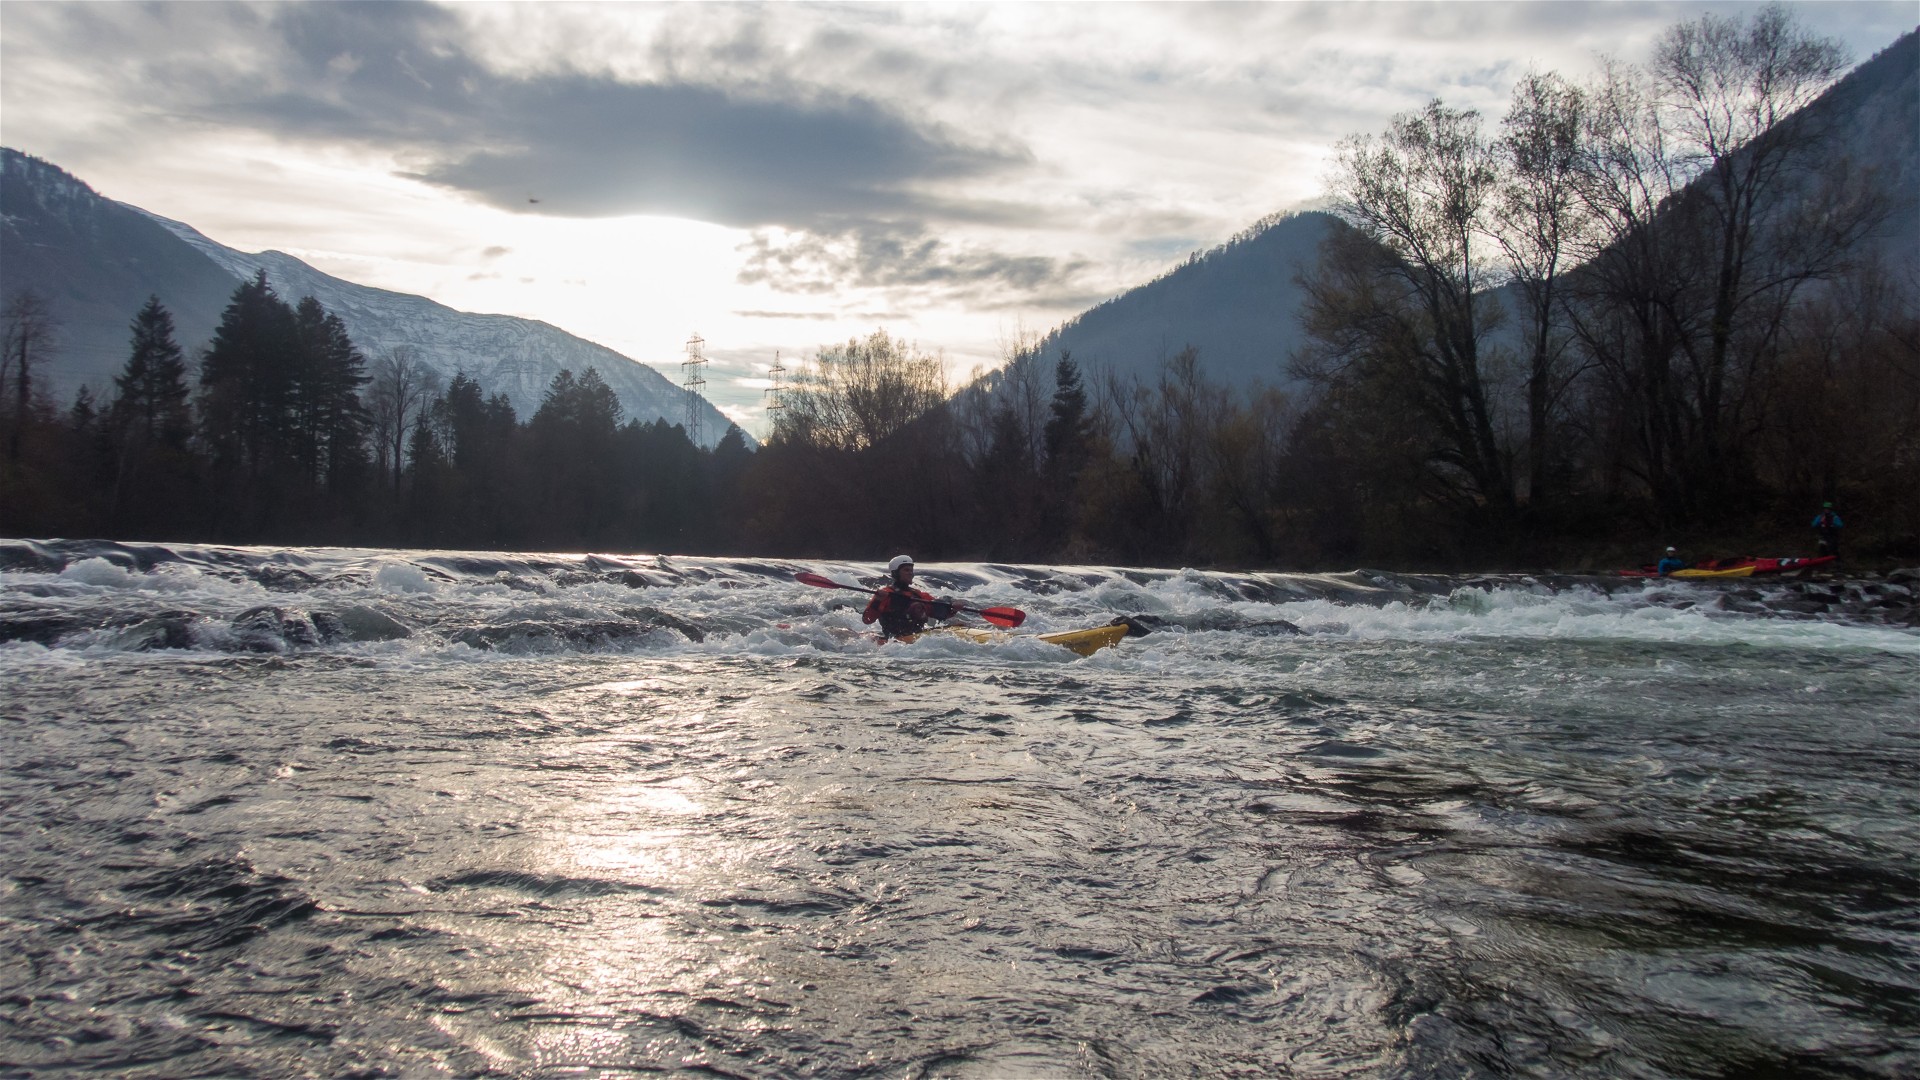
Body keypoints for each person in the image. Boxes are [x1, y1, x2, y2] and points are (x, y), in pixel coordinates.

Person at [862, 555, 955, 639]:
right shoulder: (886, 594)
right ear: (895, 573)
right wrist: (877, 601)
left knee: (918, 605)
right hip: (893, 639)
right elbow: (867, 620)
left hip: (917, 637)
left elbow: (938, 612)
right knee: (915, 606)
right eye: (906, 570)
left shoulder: (918, 594)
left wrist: (953, 608)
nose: (910, 573)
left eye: (911, 570)